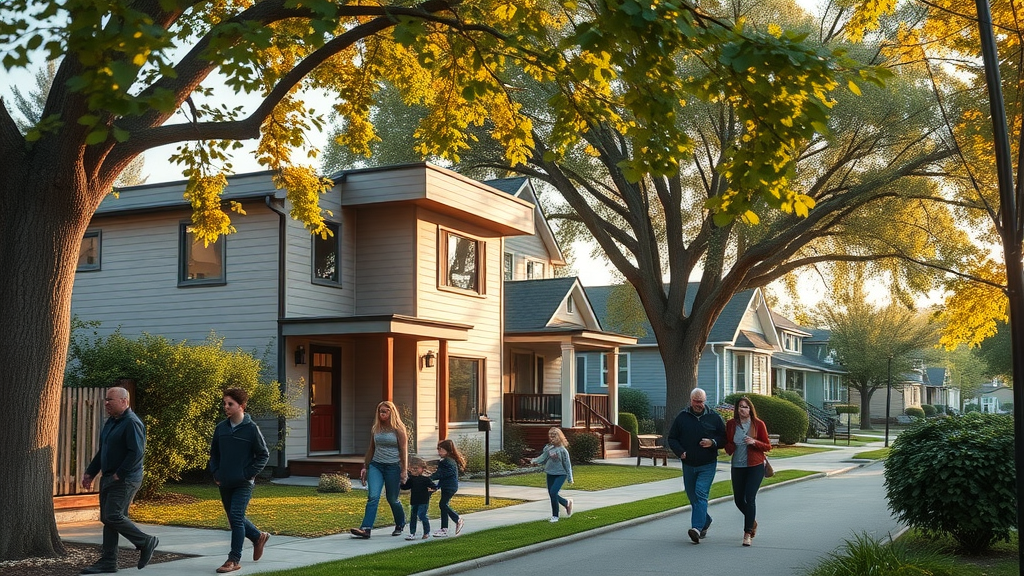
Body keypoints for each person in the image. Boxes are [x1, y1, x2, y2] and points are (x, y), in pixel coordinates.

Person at [80, 386, 159, 574]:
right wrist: (91, 472)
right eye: (106, 399)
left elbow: (136, 453)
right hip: (109, 477)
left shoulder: (132, 423)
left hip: (125, 479)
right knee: (108, 519)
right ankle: (109, 562)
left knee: (112, 516)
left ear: (124, 401)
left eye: (110, 400)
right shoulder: (111, 422)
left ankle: (146, 541)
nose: (106, 403)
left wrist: (120, 473)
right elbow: (104, 451)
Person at [208, 388, 271, 573]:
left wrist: (248, 474)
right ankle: (258, 536)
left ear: (241, 406)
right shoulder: (221, 428)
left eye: (230, 404)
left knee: (235, 517)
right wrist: (216, 473)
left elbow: (263, 455)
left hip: (243, 483)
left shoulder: (251, 429)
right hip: (224, 481)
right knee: (234, 517)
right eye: (224, 403)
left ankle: (233, 560)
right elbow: (214, 454)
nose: (226, 407)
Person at [667, 387, 727, 545]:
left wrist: (712, 442)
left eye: (701, 401)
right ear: (691, 400)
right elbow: (672, 438)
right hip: (689, 464)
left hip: (707, 464)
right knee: (692, 496)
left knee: (701, 493)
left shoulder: (714, 417)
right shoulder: (682, 417)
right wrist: (680, 452)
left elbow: (724, 438)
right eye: (695, 401)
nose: (698, 404)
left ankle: (696, 529)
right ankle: (706, 520)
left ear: (705, 401)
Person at [350, 401, 408, 539]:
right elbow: (371, 448)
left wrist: (404, 470)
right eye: (380, 411)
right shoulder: (376, 428)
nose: (382, 414)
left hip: (393, 467)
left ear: (391, 412)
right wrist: (365, 466)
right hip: (376, 465)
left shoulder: (399, 429)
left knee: (392, 499)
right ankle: (366, 529)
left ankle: (400, 524)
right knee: (373, 496)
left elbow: (404, 450)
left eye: (385, 411)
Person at [725, 396, 772, 547]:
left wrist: (754, 442)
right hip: (737, 466)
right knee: (739, 500)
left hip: (755, 465)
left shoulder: (758, 424)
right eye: (740, 407)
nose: (743, 409)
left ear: (750, 409)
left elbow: (767, 446)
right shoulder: (731, 424)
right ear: (736, 409)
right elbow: (728, 443)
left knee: (750, 498)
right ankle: (752, 521)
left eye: (745, 407)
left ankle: (747, 533)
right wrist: (728, 447)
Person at [530, 427, 574, 522]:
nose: (552, 438)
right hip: (550, 473)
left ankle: (555, 516)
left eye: (554, 436)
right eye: (551, 436)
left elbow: (567, 464)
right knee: (552, 494)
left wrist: (570, 478)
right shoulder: (548, 448)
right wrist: (534, 461)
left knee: (553, 492)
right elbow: (543, 458)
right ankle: (566, 503)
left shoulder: (563, 450)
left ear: (559, 437)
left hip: (561, 474)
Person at [430, 438, 466, 537]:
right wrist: (436, 486)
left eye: (441, 449)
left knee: (443, 504)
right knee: (443, 505)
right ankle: (444, 529)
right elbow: (443, 476)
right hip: (447, 486)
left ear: (447, 450)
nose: (439, 452)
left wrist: (430, 477)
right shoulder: (447, 460)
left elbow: (443, 474)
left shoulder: (448, 461)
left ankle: (457, 519)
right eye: (438, 449)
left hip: (450, 487)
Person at [400, 457, 438, 540]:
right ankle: (412, 533)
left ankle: (426, 532)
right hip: (414, 501)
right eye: (412, 469)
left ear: (422, 469)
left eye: (416, 468)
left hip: (423, 501)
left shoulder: (425, 479)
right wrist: (402, 482)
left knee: (422, 516)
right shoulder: (411, 479)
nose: (414, 470)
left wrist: (431, 490)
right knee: (413, 517)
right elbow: (406, 487)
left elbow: (434, 486)